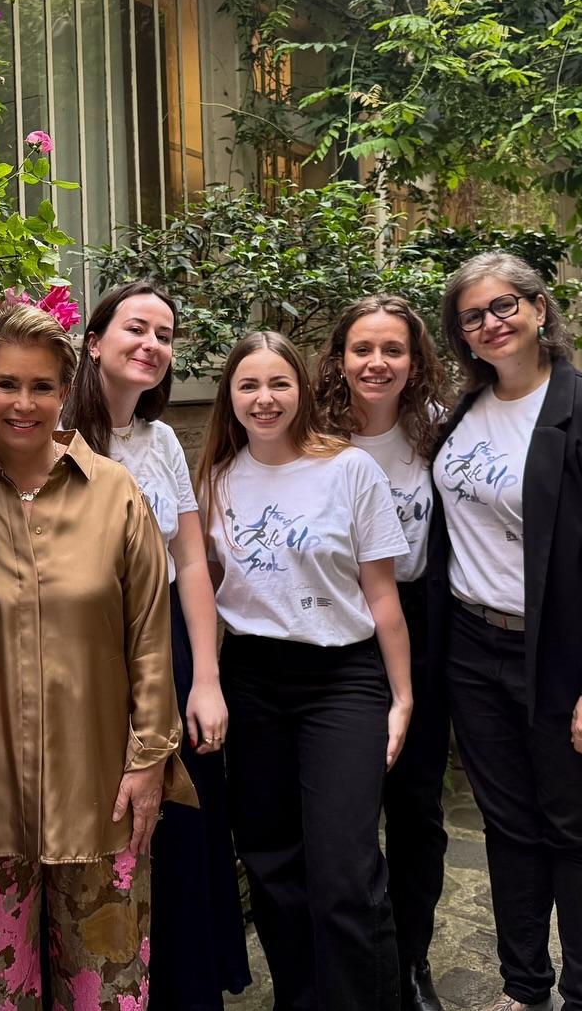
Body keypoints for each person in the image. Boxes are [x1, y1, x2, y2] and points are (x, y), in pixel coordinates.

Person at [429, 252, 582, 1011]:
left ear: (539, 308)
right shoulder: (462, 413)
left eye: (504, 306)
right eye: (473, 315)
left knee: (581, 828)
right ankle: (525, 988)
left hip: (562, 656)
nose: (490, 323)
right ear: (460, 334)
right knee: (508, 828)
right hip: (473, 649)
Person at [0, 303, 196, 1009]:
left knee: (106, 994)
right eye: (6, 384)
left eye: (41, 387)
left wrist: (150, 759)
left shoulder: (115, 493)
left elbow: (150, 635)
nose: (23, 403)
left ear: (65, 391)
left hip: (102, 796)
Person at [194, 330, 413, 1011]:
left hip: (342, 678)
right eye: (249, 385)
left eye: (278, 383)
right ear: (229, 396)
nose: (265, 398)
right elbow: (197, 588)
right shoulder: (214, 481)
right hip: (253, 676)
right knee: (270, 862)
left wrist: (402, 694)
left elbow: (382, 595)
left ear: (302, 389)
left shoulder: (348, 469)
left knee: (345, 872)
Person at [61, 280, 251, 1009]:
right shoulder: (53, 434)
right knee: (112, 822)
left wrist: (206, 675)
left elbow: (193, 563)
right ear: (94, 340)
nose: (152, 345)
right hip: (87, 655)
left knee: (183, 825)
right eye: (136, 328)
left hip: (168, 644)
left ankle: (182, 989)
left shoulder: (163, 439)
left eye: (164, 335)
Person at [315, 295, 452, 1011]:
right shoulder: (312, 434)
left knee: (416, 808)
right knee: (344, 814)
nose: (376, 362)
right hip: (337, 633)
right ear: (339, 357)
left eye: (392, 349)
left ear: (414, 359)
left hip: (419, 628)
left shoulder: (434, 432)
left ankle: (411, 959)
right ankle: (353, 956)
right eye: (361, 348)